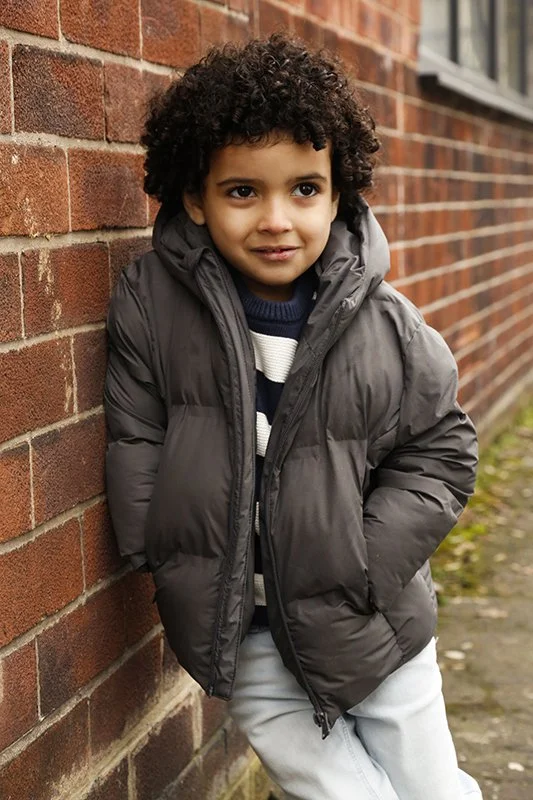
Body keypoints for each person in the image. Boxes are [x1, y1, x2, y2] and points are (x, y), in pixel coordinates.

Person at [104, 33, 482, 800]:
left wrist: (363, 560)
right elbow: (137, 430)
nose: (277, 219)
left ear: (337, 192)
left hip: (374, 620)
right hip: (245, 628)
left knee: (429, 785)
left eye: (303, 189)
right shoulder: (151, 305)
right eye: (243, 191)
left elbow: (441, 451)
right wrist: (157, 545)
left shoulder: (388, 328)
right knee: (328, 786)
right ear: (194, 199)